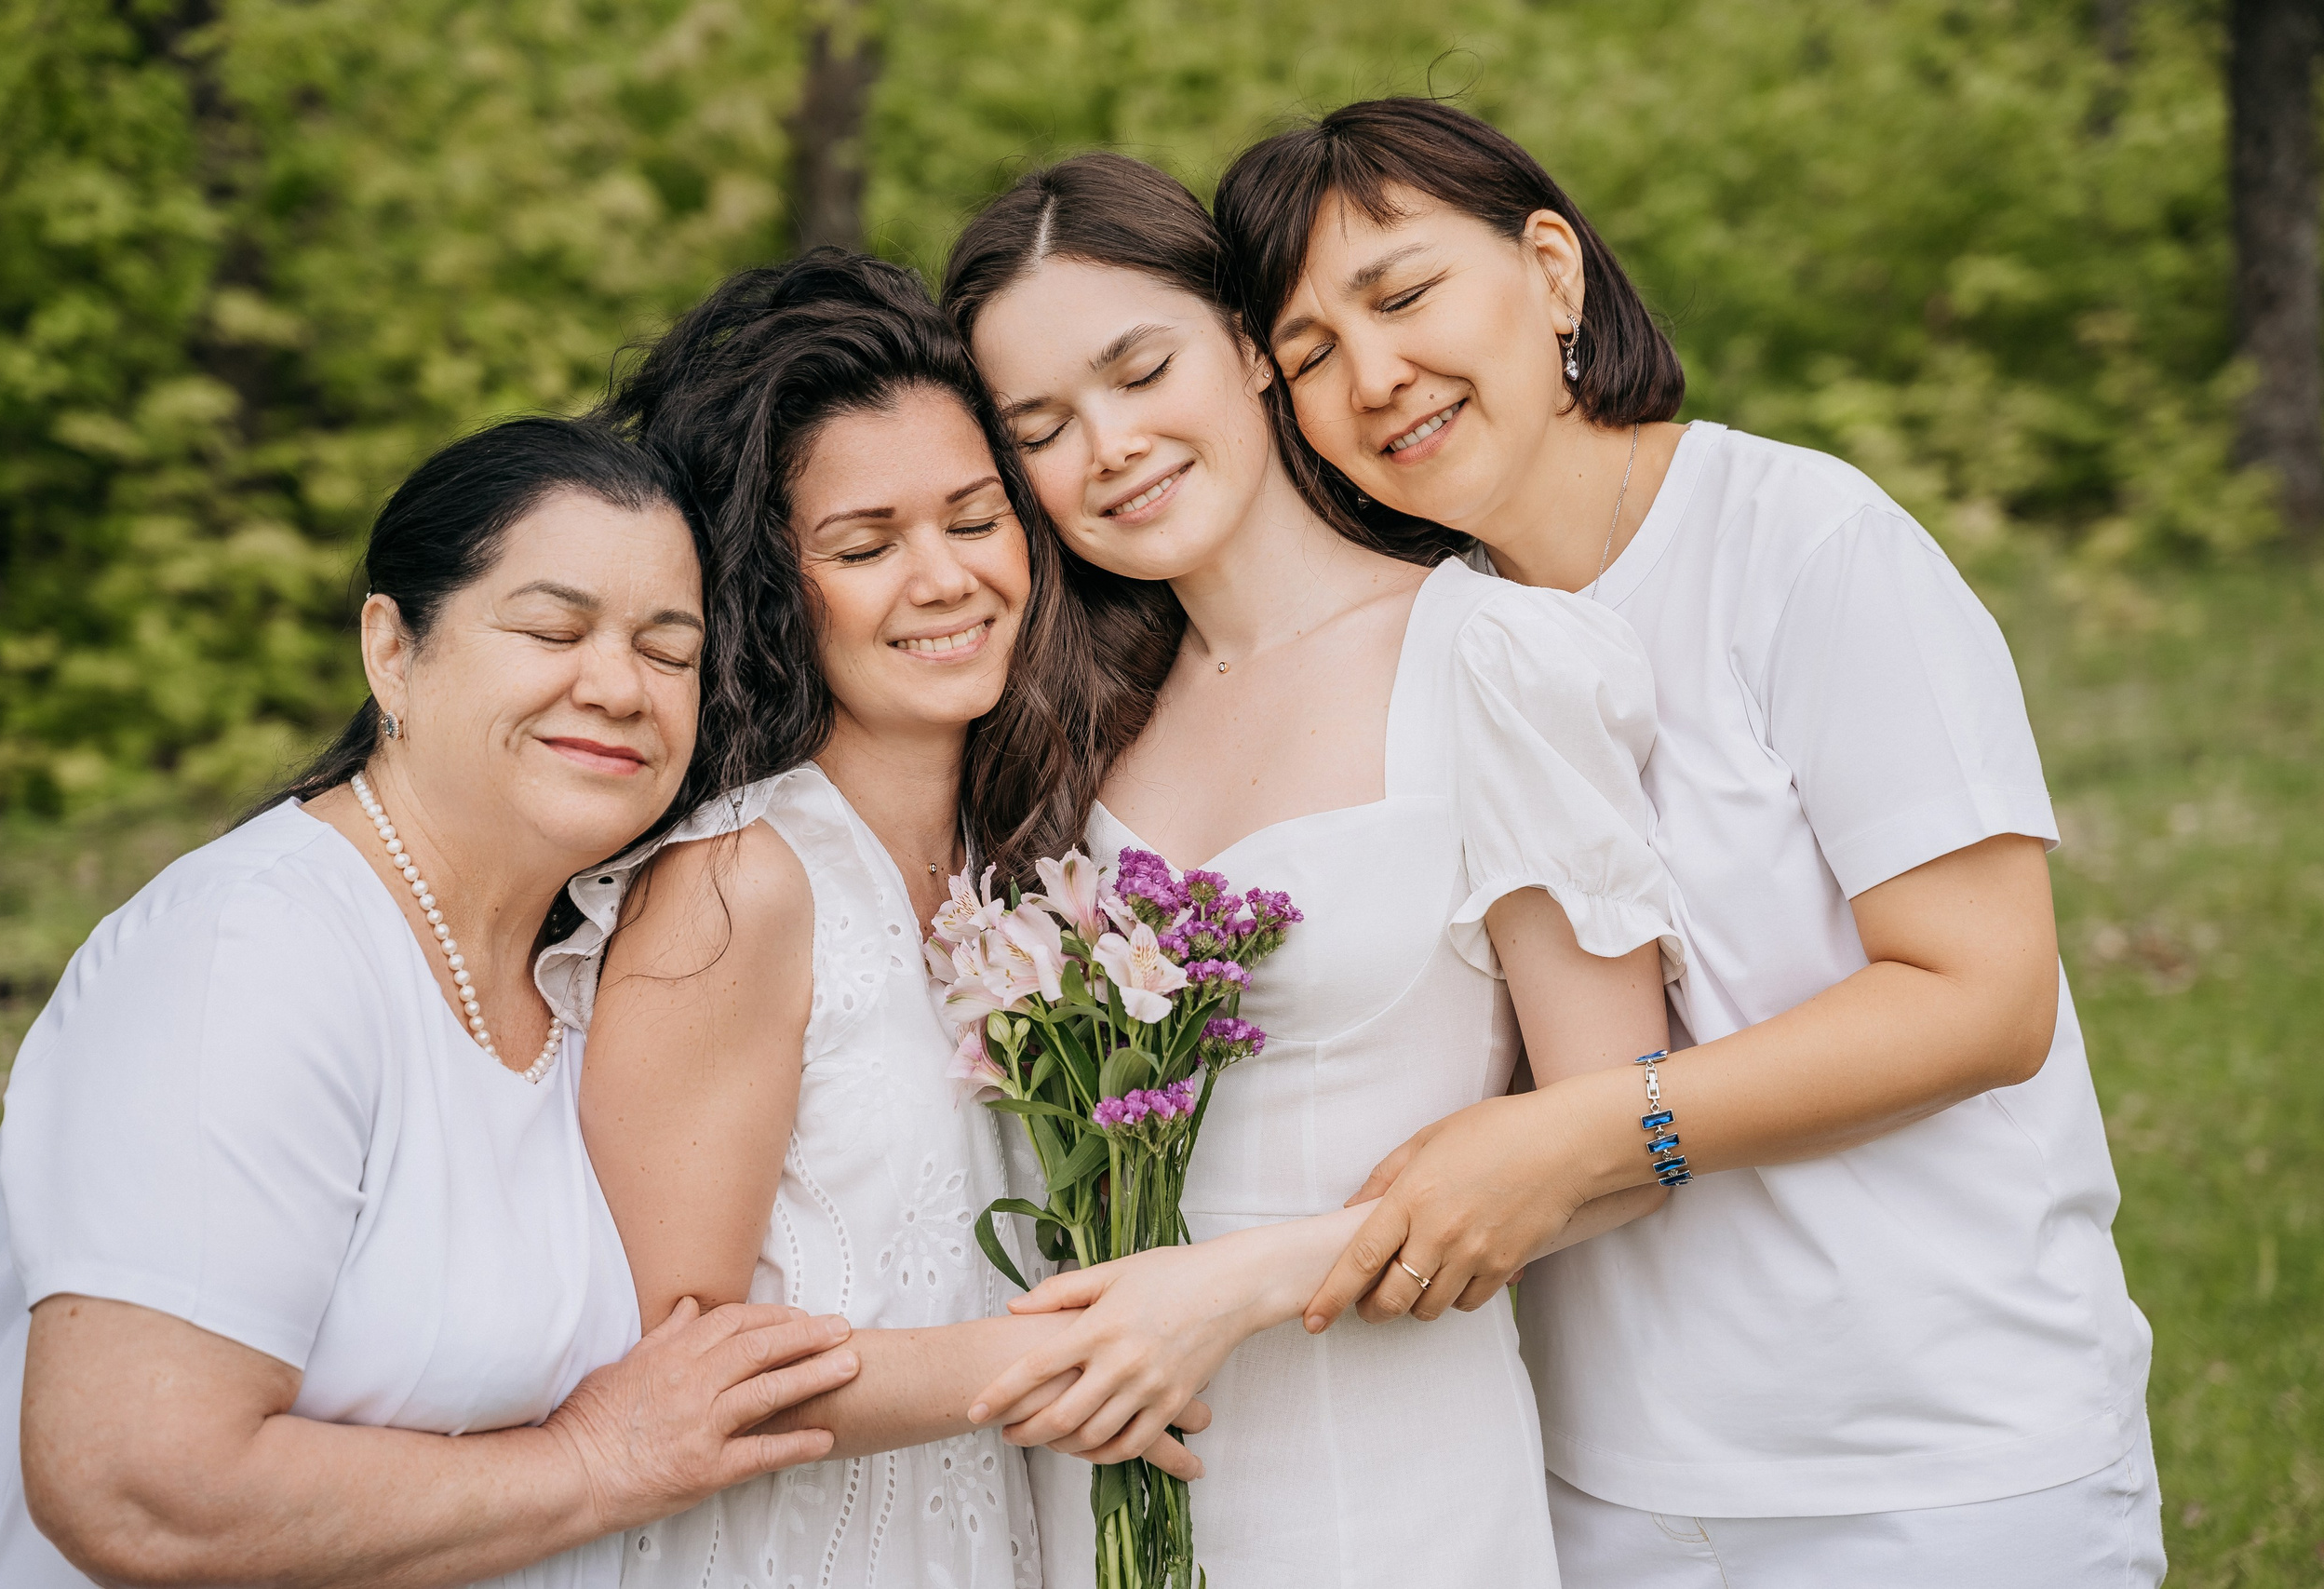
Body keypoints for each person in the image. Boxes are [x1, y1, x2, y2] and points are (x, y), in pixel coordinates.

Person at [1213, 97, 2163, 1585]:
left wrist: (1585, 1131)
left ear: (1552, 271)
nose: (1374, 375)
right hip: (1602, 1481)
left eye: (1402, 296)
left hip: (1939, 1462)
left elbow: (1984, 996)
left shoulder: (1802, 540)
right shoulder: (1418, 641)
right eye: (1310, 354)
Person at [0, 416, 863, 1589]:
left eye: (668, 651)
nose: (618, 686)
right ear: (391, 650)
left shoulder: (588, 972)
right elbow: (137, 1486)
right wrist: (598, 1462)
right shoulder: (252, 950)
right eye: (552, 630)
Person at [940, 153, 1686, 1587]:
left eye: (1141, 371)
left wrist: (1233, 1285)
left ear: (1248, 349)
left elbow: (1614, 1146)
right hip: (1097, 1492)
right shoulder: (1068, 722)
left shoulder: (1486, 659)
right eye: (1042, 426)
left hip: (1385, 1496)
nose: (1110, 445)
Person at [553, 253, 1226, 1589]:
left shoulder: (1019, 864)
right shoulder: (740, 885)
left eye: (975, 519)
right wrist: (1077, 1355)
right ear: (768, 587)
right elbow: (673, 1379)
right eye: (865, 548)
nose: (944, 579)